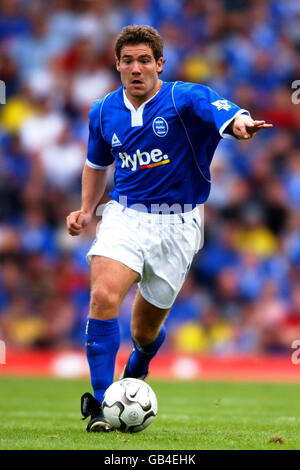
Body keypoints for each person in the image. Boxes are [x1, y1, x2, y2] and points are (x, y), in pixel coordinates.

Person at [66, 25, 272, 432]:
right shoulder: (103, 110)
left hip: (178, 225)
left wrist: (241, 124)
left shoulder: (183, 97)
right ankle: (103, 406)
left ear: (160, 64)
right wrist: (87, 208)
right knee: (103, 295)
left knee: (145, 332)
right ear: (118, 65)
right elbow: (96, 164)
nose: (136, 68)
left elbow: (224, 112)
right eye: (128, 61)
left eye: (145, 60)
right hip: (124, 216)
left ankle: (136, 370)